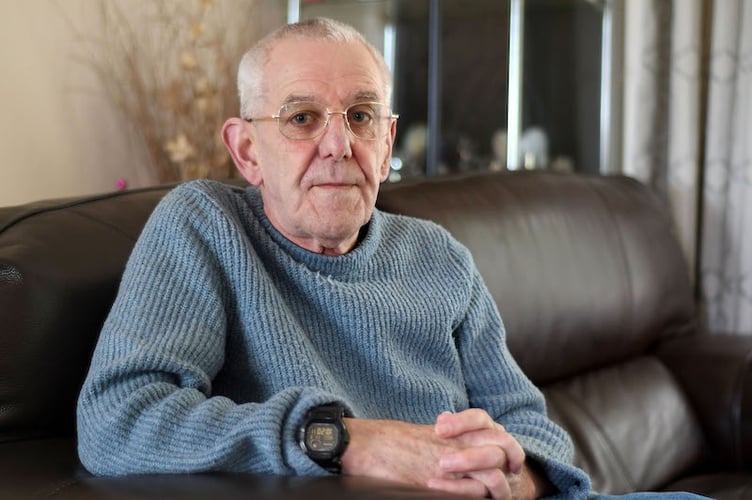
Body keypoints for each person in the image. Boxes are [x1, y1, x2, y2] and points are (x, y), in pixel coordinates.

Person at [77, 18, 709, 500]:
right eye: (302, 117)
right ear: (246, 151)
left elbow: (530, 424)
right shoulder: (205, 226)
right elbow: (117, 422)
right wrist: (345, 440)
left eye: (361, 116)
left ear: (385, 145)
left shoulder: (438, 255)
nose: (337, 145)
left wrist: (509, 480)